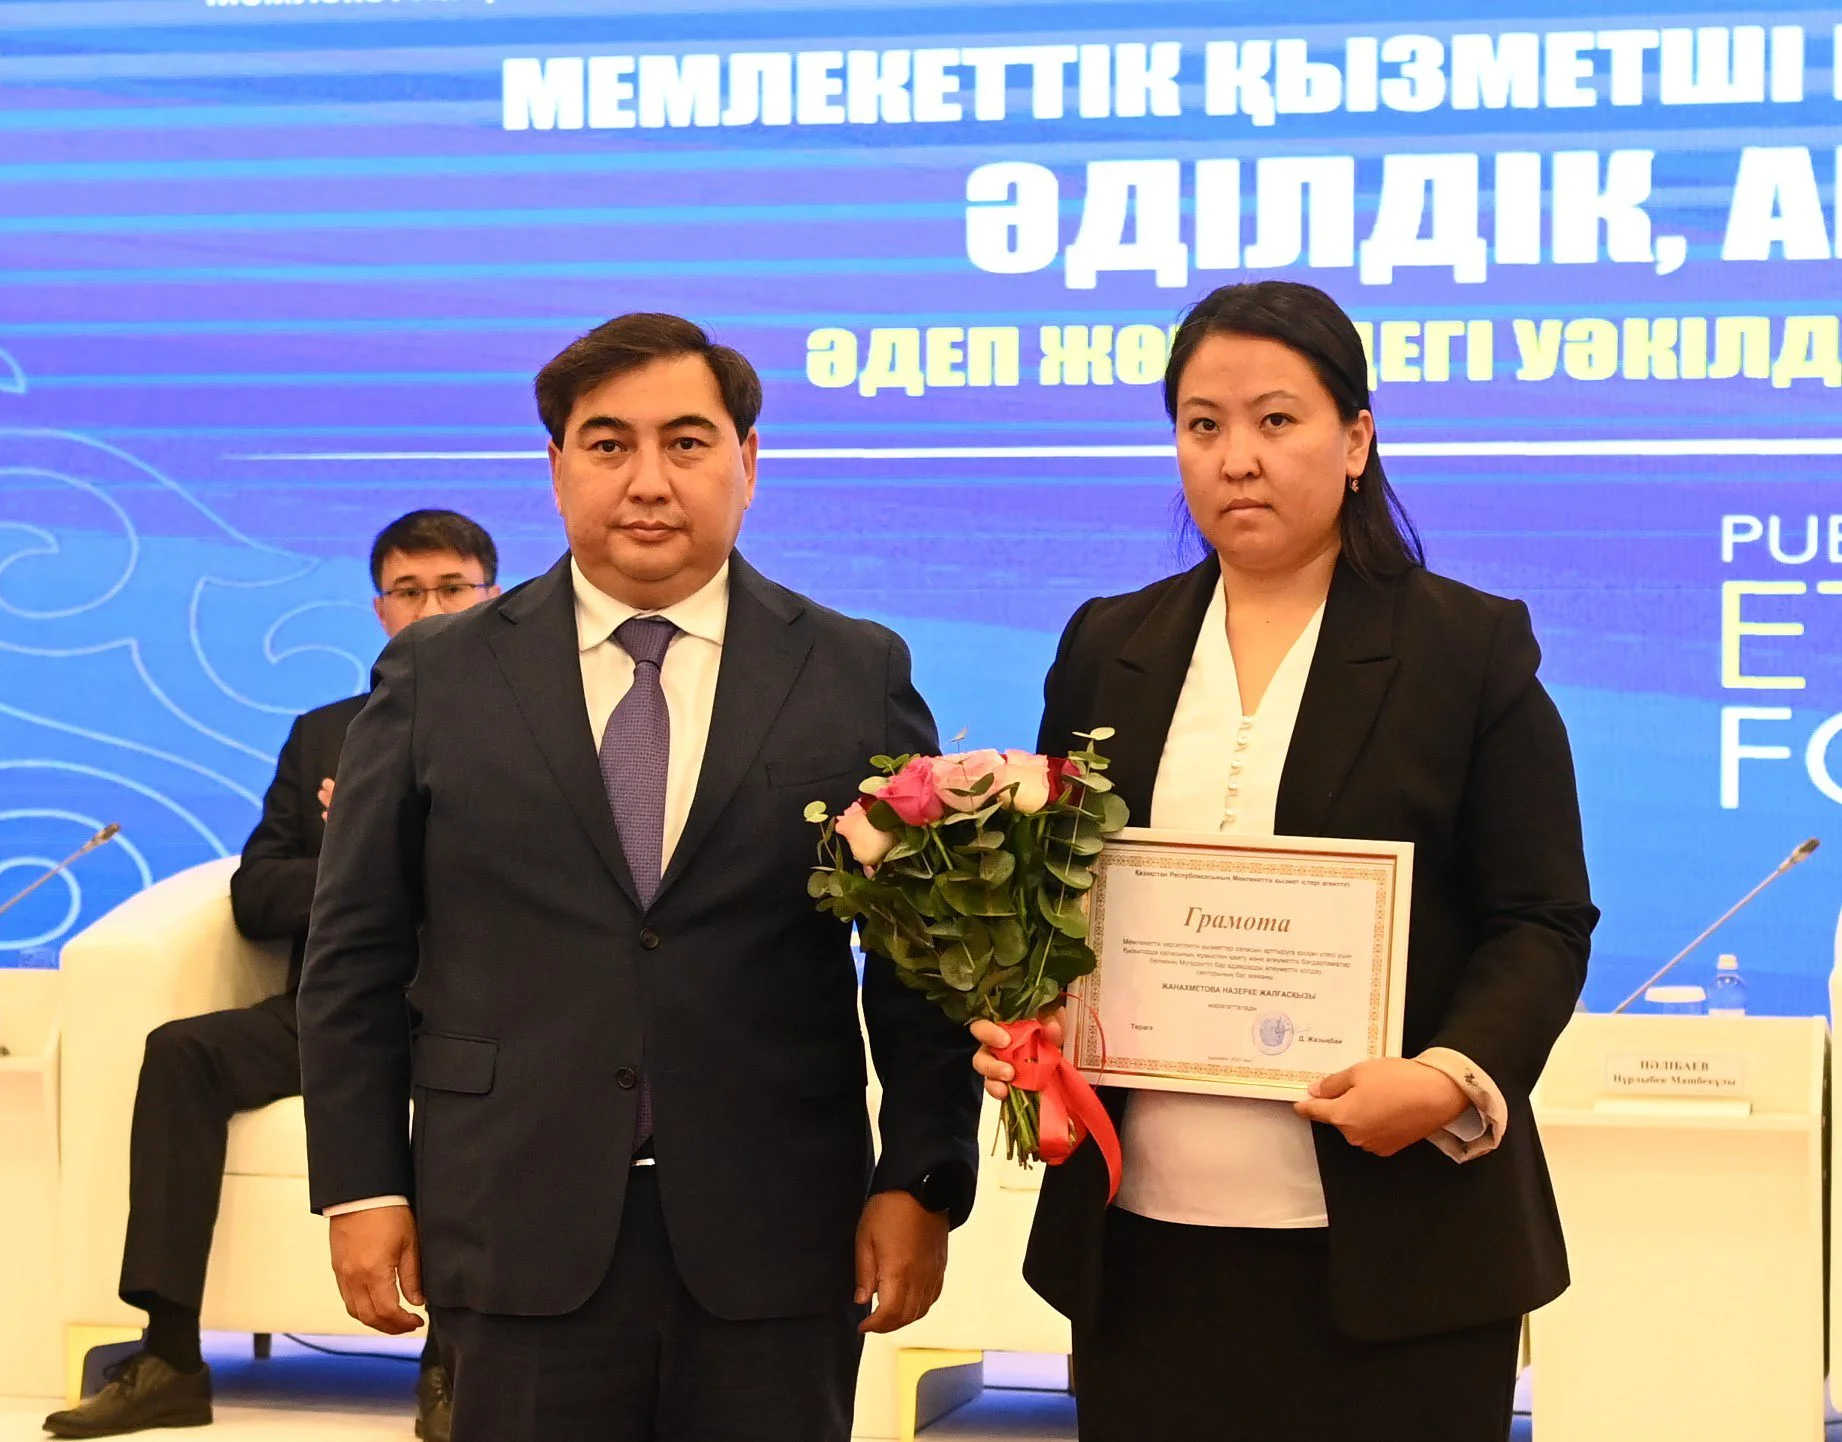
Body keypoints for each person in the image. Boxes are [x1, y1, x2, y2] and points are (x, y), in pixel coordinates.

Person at [297, 313, 983, 1442]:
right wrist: (363, 1185)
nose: (649, 480)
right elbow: (355, 952)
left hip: (780, 1228)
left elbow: (919, 965)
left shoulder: (853, 669)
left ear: (748, 462)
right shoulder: (436, 676)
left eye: (687, 442)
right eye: (609, 444)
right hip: (512, 1216)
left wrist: (920, 1177)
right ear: (556, 466)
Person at [972, 280, 1598, 1442]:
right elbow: (1058, 901)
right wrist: (1031, 1018)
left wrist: (1450, 1075)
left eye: (1276, 420)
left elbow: (1542, 918)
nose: (1236, 458)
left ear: (1355, 440)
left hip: (1396, 1252)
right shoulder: (1108, 642)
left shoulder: (1465, 647)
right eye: (1202, 424)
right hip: (1145, 1244)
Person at [44, 510, 501, 1441]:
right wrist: (358, 851)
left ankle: (453, 1367)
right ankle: (168, 1356)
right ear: (380, 610)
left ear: (492, 598)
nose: (430, 609)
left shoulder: (526, 730)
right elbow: (256, 894)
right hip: (336, 1011)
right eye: (409, 591)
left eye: (452, 589)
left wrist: (408, 850)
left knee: (478, 1079)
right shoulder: (325, 735)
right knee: (184, 1053)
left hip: (471, 1011)